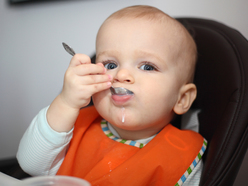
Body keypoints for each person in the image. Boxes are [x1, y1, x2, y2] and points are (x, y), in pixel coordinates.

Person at [17, 5, 207, 186]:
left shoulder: (180, 156)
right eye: (110, 65)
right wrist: (66, 102)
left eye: (147, 67)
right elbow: (30, 164)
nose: (121, 75)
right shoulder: (75, 127)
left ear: (181, 99)